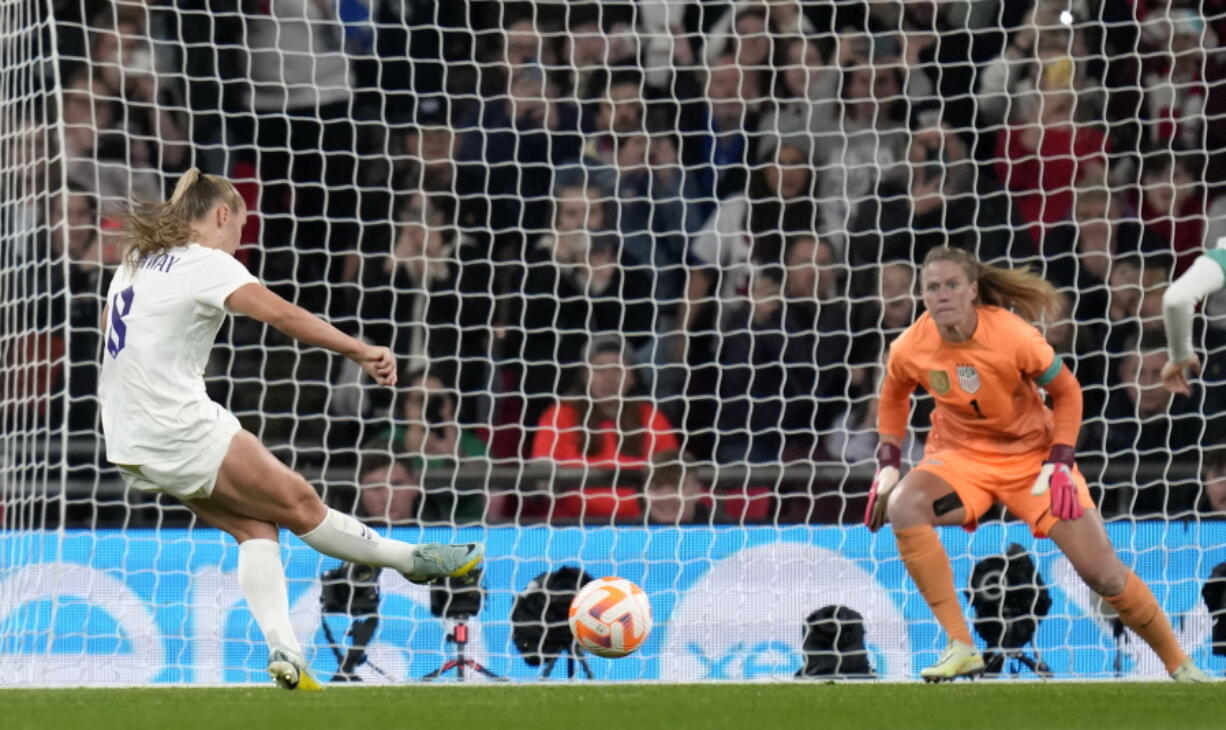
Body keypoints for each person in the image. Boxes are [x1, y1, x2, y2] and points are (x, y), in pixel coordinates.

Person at [97, 169, 483, 690]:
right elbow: (281, 316)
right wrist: (360, 349)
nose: (240, 241)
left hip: (126, 438)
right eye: (241, 227)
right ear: (221, 215)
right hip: (177, 425)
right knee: (302, 502)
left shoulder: (136, 262)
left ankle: (286, 652)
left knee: (255, 529)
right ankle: (413, 560)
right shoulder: (207, 263)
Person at [864, 246, 1209, 683]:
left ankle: (1180, 662)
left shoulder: (1013, 336)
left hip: (1034, 463)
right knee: (904, 506)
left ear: (972, 290)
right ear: (923, 294)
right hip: (960, 459)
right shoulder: (910, 346)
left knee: (1103, 576)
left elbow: (1068, 392)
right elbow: (893, 395)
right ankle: (960, 645)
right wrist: (889, 462)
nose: (942, 294)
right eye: (933, 287)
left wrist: (1062, 460)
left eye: (952, 285)